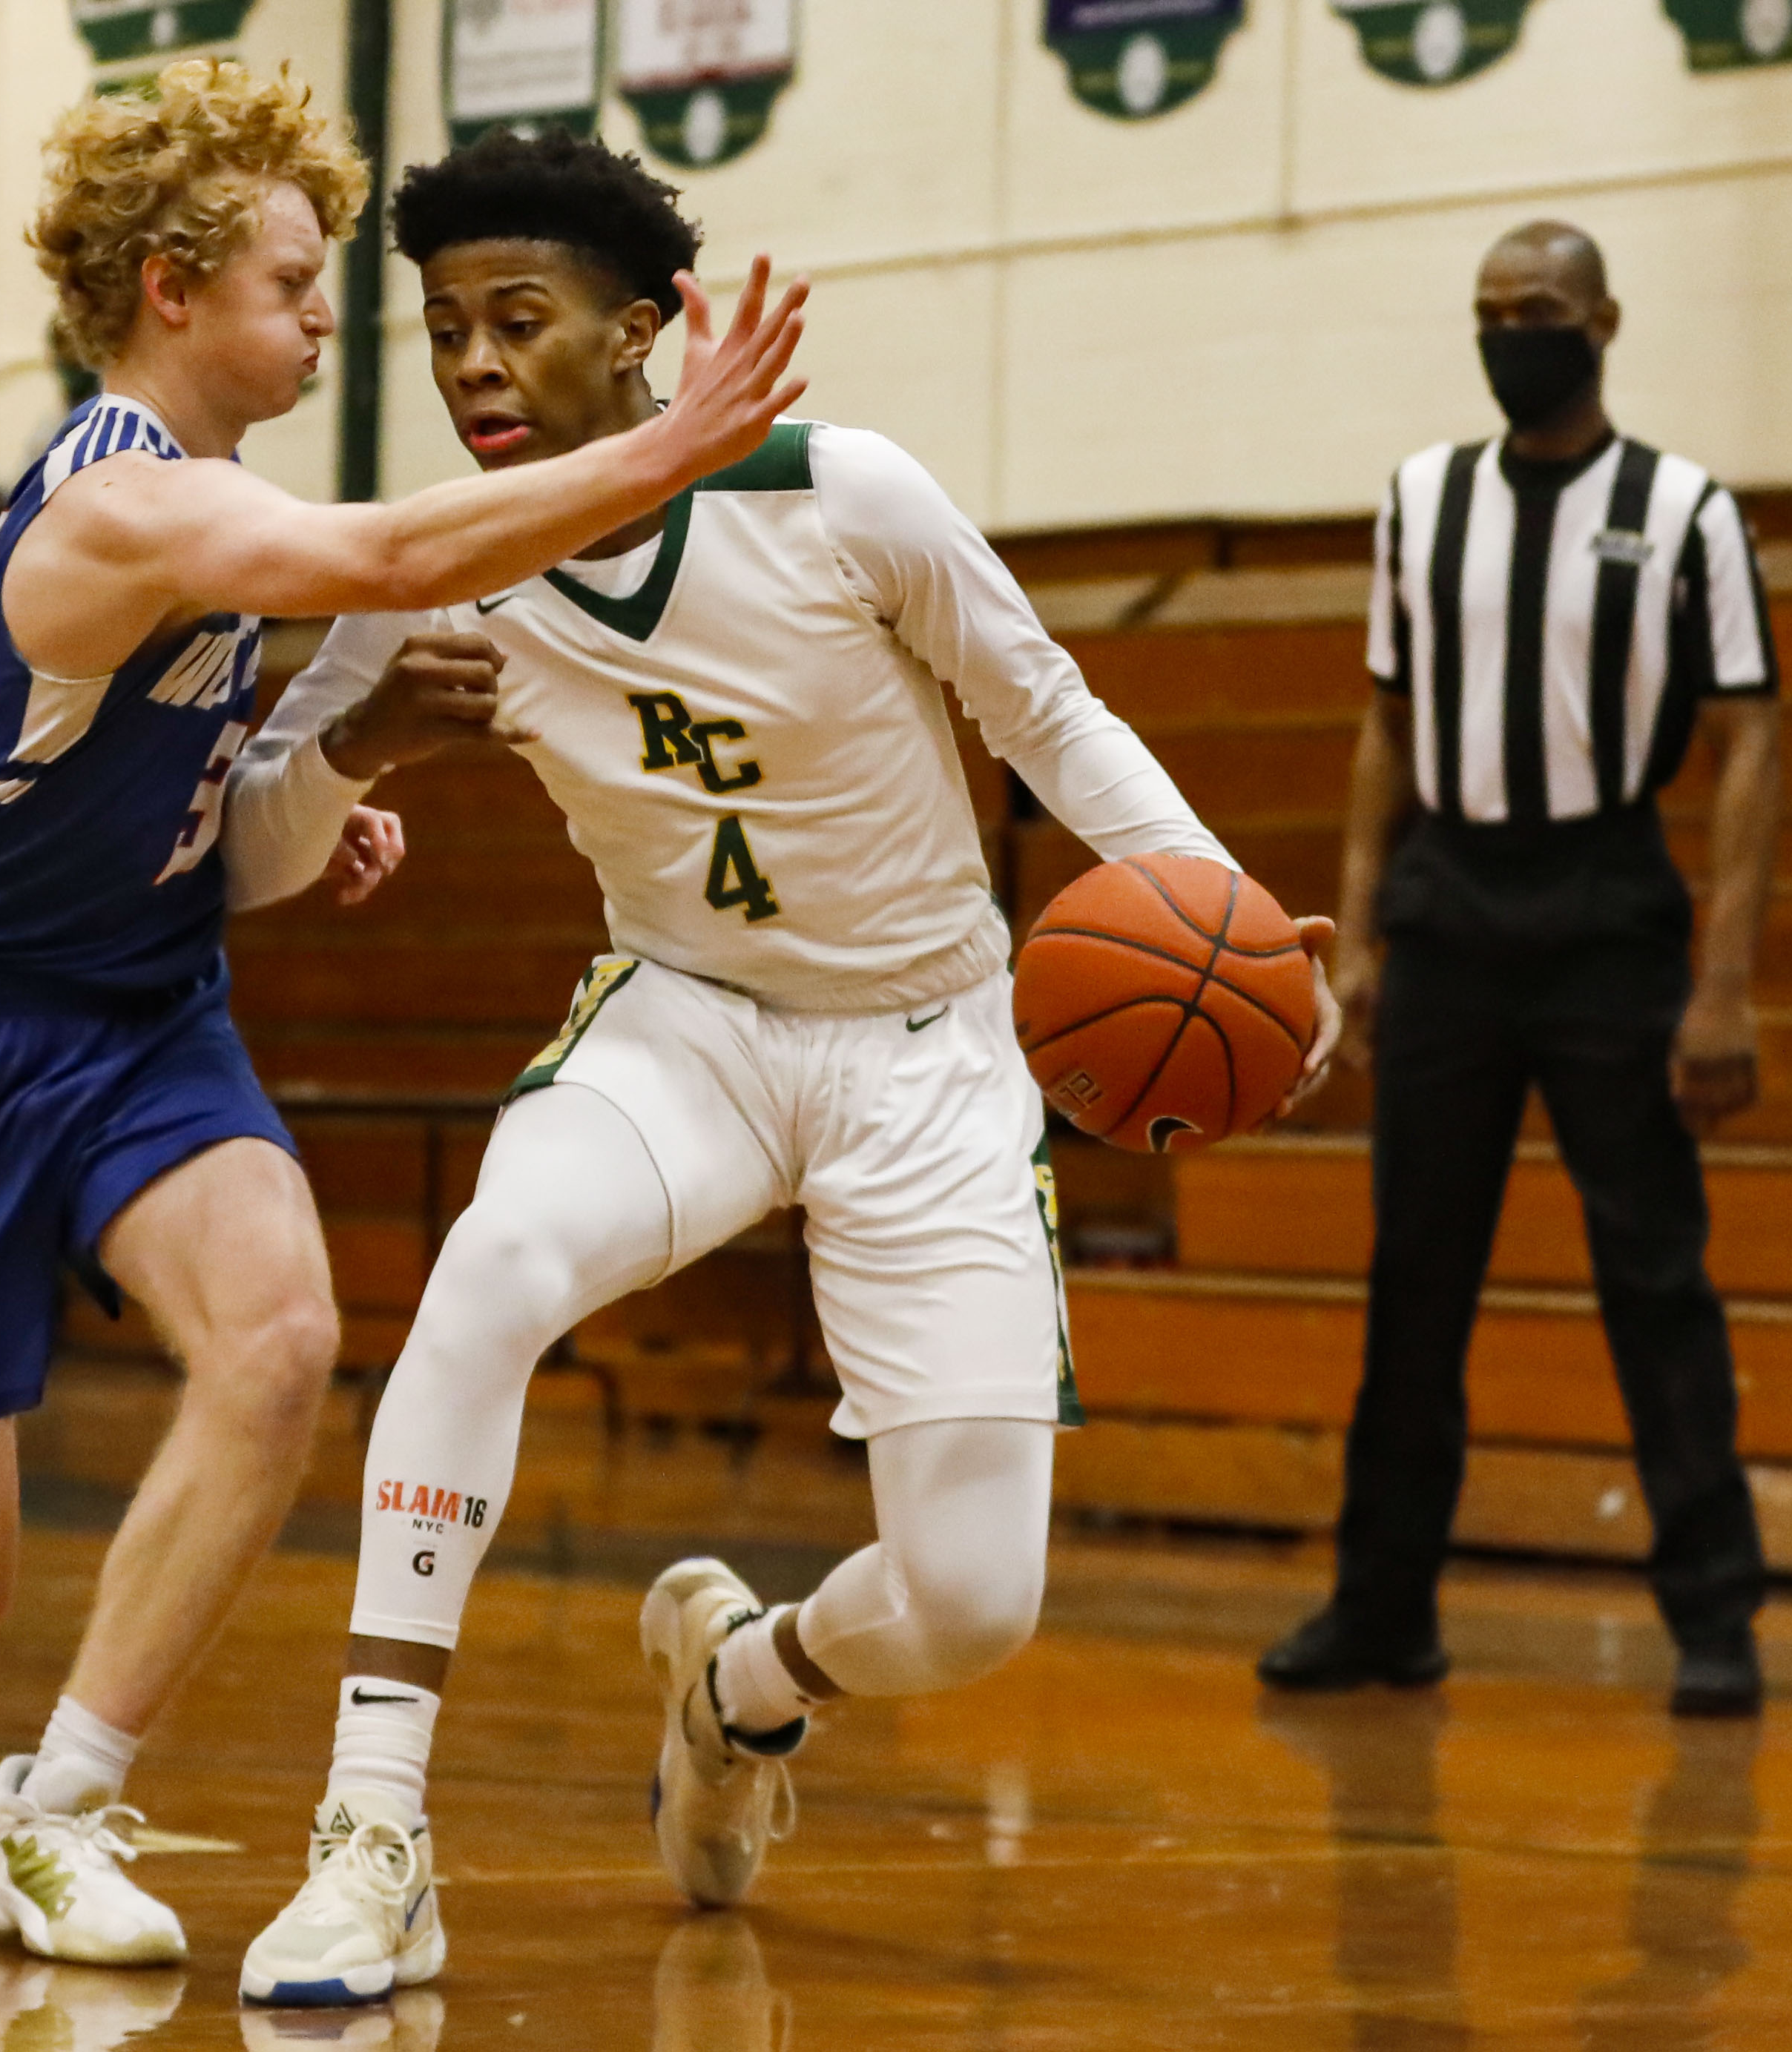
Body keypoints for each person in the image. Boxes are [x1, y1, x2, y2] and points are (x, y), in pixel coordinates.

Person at [0, 62, 810, 1970]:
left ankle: (52, 1811)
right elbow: (402, 557)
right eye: (291, 277)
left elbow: (239, 834)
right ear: (171, 288)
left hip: (143, 1012)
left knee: (277, 1338)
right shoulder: (115, 511)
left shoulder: (226, 511)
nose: (329, 315)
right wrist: (682, 442)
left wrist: (332, 778)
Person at [228, 128, 1337, 2008]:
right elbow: (253, 853)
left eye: (521, 320)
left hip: (929, 1046)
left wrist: (1222, 915)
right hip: (690, 1024)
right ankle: (372, 1836)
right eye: (443, 333)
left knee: (975, 1606)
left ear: (645, 331)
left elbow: (1048, 715)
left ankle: (740, 1688)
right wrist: (350, 763)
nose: (476, 364)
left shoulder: (847, 496)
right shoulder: (427, 572)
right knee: (487, 1272)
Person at [1256, 221, 1783, 1718]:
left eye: (1536, 311)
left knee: (1650, 1270)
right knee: (1412, 1275)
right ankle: (1379, 1608)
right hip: (1446, 912)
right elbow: (1384, 722)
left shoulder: (1682, 510)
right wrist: (1354, 936)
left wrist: (1724, 978)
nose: (1509, 335)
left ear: (1600, 321)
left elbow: (1749, 738)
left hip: (1607, 905)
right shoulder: (1419, 501)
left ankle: (1710, 1613)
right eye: (1487, 313)